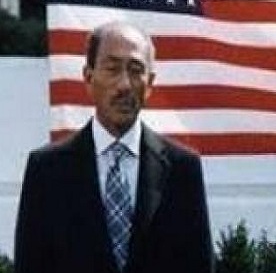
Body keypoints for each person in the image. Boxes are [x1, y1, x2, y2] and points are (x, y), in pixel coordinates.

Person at [15, 21, 213, 273]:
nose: (124, 85)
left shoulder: (182, 169)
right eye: (112, 69)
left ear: (150, 84)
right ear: (88, 77)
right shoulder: (46, 170)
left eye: (135, 70)